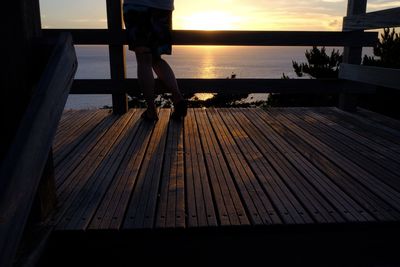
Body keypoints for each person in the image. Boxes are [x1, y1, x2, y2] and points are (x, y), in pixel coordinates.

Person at [123, 0, 187, 121]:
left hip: (137, 6)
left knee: (143, 60)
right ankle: (178, 99)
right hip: (163, 7)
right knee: (156, 58)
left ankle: (151, 111)